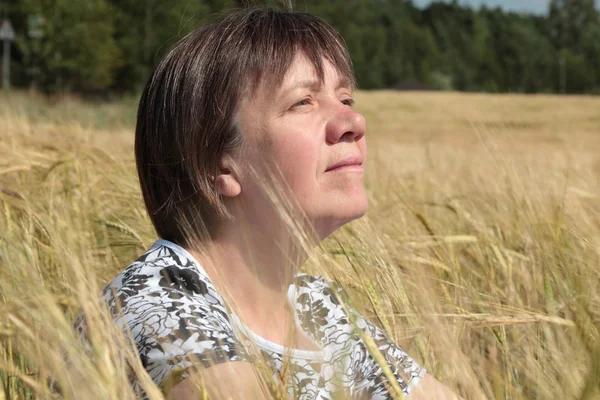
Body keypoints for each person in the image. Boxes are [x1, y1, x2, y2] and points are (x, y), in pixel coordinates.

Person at [97, 7, 462, 400]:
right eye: (303, 102)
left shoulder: (317, 307)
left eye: (345, 97)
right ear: (218, 164)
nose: (353, 121)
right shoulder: (157, 304)